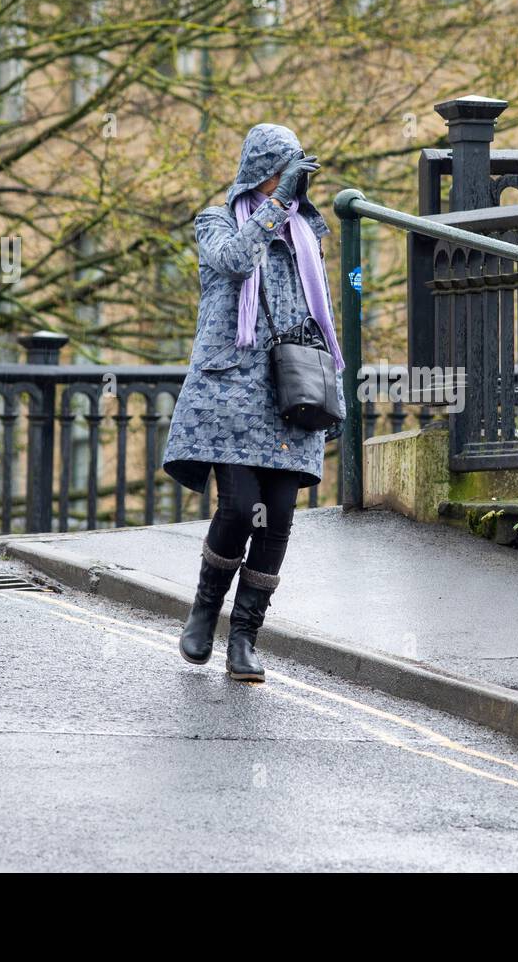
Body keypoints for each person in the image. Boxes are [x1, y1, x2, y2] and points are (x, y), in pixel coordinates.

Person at [162, 124, 345, 683]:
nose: (289, 183)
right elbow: (238, 261)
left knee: (278, 518)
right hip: (229, 395)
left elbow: (314, 317)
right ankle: (203, 611)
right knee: (239, 507)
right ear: (259, 170)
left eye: (295, 173)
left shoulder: (306, 234)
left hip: (289, 398)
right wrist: (277, 206)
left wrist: (290, 209)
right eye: (280, 171)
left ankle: (245, 636)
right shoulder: (215, 221)